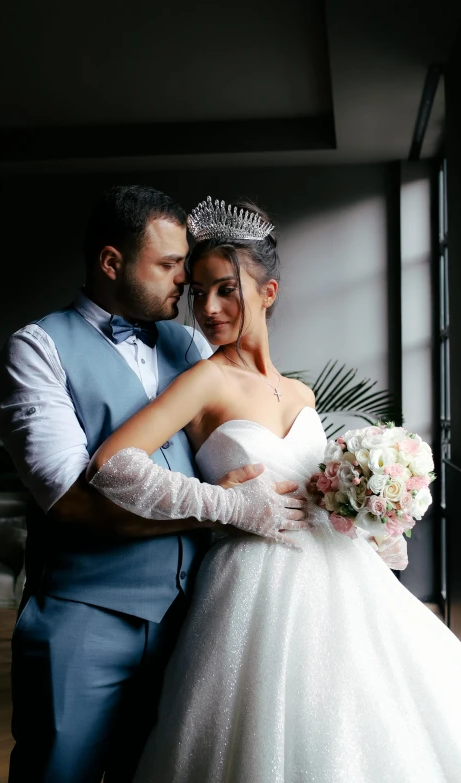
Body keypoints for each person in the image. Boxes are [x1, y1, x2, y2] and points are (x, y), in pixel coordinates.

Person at [86, 196, 461, 783]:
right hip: (253, 590)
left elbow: (323, 500)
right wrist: (225, 505)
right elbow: (112, 464)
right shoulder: (206, 379)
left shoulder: (302, 395)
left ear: (269, 293)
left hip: (347, 588)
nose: (207, 308)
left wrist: (370, 513)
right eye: (198, 293)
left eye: (225, 290)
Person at [0, 185, 308, 783]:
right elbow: (71, 503)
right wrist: (224, 509)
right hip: (85, 616)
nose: (184, 283)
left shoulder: (190, 346)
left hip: (196, 618)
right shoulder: (37, 352)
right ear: (111, 263)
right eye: (167, 266)